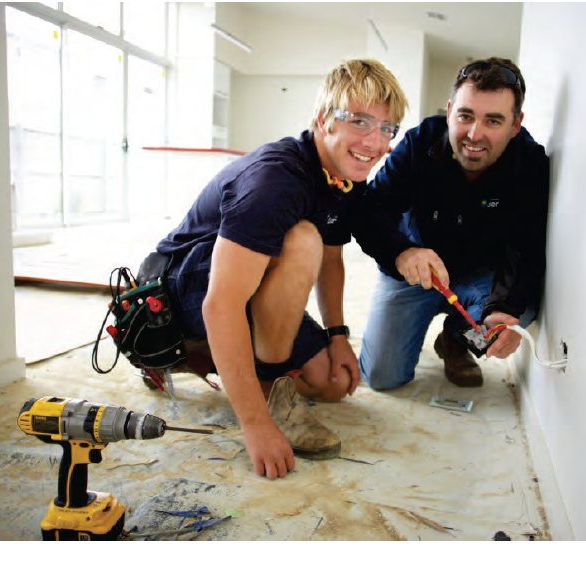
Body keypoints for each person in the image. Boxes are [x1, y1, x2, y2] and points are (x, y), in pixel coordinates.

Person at [154, 59, 408, 480]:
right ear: (324, 121)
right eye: (361, 122)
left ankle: (214, 358)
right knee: (302, 238)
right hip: (182, 287)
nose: (375, 143)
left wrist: (338, 336)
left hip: (243, 284)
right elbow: (222, 303)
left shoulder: (345, 175)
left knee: (331, 384)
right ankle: (257, 381)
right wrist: (256, 425)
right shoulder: (275, 181)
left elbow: (331, 258)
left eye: (387, 129)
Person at [352, 57, 549, 390]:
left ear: (515, 125)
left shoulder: (529, 163)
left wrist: (501, 309)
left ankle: (456, 340)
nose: (475, 134)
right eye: (466, 116)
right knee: (381, 378)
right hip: (414, 271)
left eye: (494, 121)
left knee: (517, 312)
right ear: (449, 111)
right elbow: (370, 209)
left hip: (479, 280)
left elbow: (525, 247)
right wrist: (402, 252)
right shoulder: (419, 143)